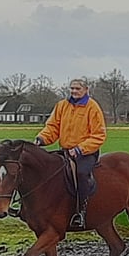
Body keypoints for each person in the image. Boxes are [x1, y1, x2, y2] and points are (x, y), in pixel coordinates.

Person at [34, 78, 107, 229]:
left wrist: (80, 149)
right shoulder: (62, 105)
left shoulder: (92, 107)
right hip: (66, 150)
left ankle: (80, 212)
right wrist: (41, 139)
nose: (74, 91)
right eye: (72, 88)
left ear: (86, 90)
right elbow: (53, 127)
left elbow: (99, 135)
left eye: (77, 89)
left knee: (81, 173)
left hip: (86, 152)